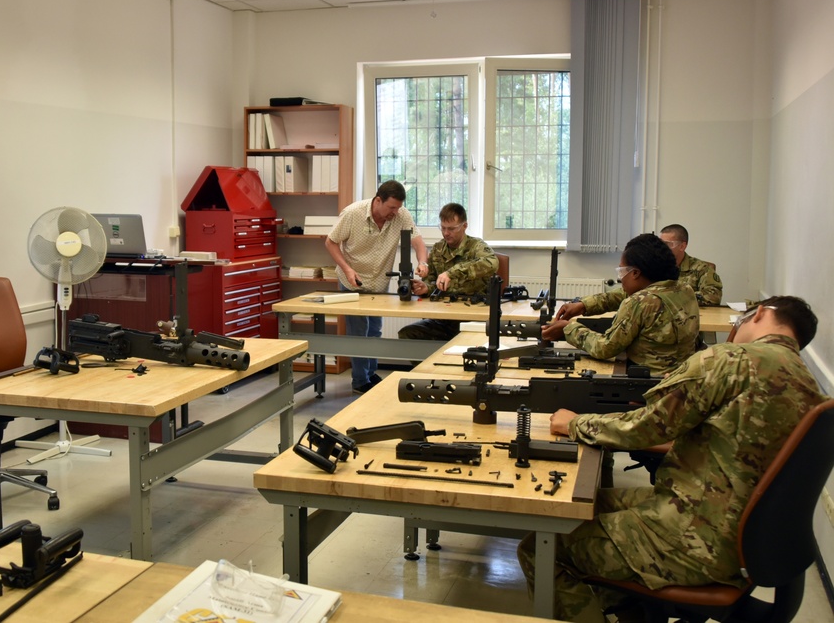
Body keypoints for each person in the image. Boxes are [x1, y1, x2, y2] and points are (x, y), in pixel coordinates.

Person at [517, 296, 823, 622]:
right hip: (736, 529)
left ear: (760, 313)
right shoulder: (806, 383)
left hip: (695, 537)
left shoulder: (732, 361)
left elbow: (649, 425)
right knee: (590, 503)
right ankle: (632, 609)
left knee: (544, 549)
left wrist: (575, 424)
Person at [541, 233, 700, 376]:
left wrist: (568, 328)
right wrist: (584, 305)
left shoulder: (639, 302)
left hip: (651, 386)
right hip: (684, 378)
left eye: (622, 272)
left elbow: (605, 348)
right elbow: (624, 294)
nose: (620, 279)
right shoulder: (684, 289)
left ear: (636, 273)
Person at [325, 180, 428, 394]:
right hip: (353, 281)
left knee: (375, 331)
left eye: (398, 208)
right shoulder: (353, 213)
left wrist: (423, 262)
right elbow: (331, 242)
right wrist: (346, 269)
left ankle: (370, 373)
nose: (395, 212)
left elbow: (418, 241)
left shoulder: (401, 215)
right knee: (359, 332)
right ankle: (360, 381)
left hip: (379, 283)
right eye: (391, 208)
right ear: (378, 200)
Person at [397, 203, 498, 341]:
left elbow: (492, 263)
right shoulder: (438, 249)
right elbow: (432, 281)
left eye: (451, 229)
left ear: (464, 226)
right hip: (444, 318)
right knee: (408, 334)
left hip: (472, 318)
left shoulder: (476, 246)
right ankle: (428, 364)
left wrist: (452, 273)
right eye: (443, 228)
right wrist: (425, 288)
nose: (446, 233)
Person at [659, 223, 723, 306]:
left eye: (668, 244)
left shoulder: (701, 268)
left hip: (688, 315)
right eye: (660, 244)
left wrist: (676, 297)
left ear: (682, 246)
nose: (662, 248)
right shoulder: (655, 266)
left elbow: (714, 296)